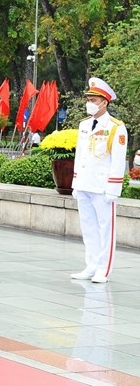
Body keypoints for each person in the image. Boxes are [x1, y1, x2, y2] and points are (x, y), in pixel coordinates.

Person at [70, 77, 128, 284]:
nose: (90, 103)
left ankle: (103, 269)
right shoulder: (84, 125)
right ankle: (91, 265)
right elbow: (80, 156)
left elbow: (118, 160)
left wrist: (113, 188)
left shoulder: (115, 127)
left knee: (106, 229)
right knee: (88, 227)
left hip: (103, 187)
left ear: (104, 102)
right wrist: (75, 183)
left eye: (94, 100)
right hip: (84, 184)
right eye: (89, 99)